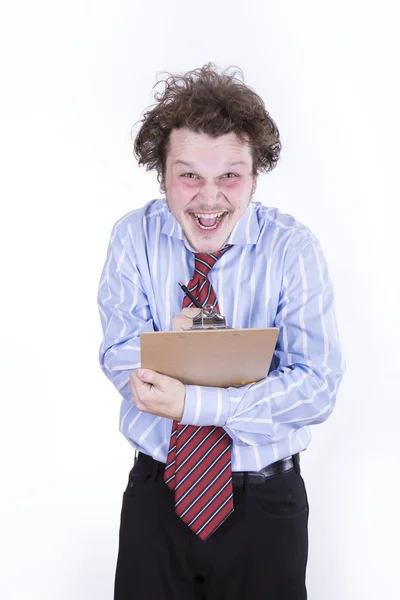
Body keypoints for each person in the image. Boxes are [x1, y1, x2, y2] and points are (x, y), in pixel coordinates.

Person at [97, 63, 345, 600]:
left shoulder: (292, 250)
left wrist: (193, 401)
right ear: (162, 174)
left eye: (229, 176)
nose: (209, 200)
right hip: (157, 495)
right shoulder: (132, 239)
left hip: (264, 502)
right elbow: (120, 352)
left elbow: (317, 384)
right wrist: (170, 357)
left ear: (255, 175)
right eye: (189, 175)